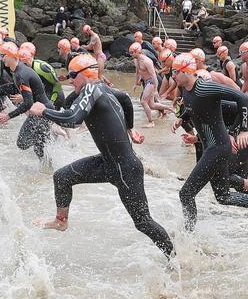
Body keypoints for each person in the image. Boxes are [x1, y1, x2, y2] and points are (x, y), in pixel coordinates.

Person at [29, 54, 174, 257]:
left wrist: (43, 111)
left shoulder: (91, 88)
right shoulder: (101, 88)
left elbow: (73, 118)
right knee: (61, 177)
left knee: (143, 222)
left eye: (73, 75)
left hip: (125, 169)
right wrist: (130, 129)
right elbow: (124, 98)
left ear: (86, 73)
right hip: (107, 162)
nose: (70, 80)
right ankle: (61, 221)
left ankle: (174, 258)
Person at [171, 54, 248, 231]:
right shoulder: (186, 89)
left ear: (186, 71)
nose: (172, 76)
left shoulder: (205, 88)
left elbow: (242, 98)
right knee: (223, 196)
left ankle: (188, 238)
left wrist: (244, 130)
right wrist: (181, 118)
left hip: (218, 148)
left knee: (186, 194)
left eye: (175, 72)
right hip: (211, 147)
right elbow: (193, 106)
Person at [0, 42, 54, 160]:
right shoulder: (18, 69)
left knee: (22, 143)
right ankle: (47, 171)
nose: (1, 59)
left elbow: (28, 103)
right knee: (39, 150)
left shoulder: (20, 74)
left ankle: (45, 138)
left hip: (41, 113)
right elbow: (19, 88)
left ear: (11, 55)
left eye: (3, 55)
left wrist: (8, 116)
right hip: (42, 111)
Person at [130, 42, 172, 125]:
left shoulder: (147, 61)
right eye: (130, 52)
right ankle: (169, 109)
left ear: (137, 51)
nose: (130, 54)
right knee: (152, 105)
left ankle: (151, 122)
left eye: (132, 52)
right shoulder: (136, 60)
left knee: (143, 101)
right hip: (146, 82)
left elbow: (154, 75)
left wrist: (155, 89)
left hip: (152, 81)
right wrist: (136, 83)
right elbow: (138, 71)